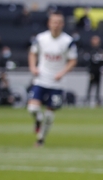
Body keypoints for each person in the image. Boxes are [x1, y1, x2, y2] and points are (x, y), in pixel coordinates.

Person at [27, 11, 77, 147]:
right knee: (32, 108)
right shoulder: (41, 38)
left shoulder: (68, 42)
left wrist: (62, 72)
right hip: (41, 79)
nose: (56, 25)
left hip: (57, 83)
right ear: (49, 23)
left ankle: (40, 139)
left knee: (49, 115)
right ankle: (37, 120)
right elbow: (32, 53)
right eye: (54, 22)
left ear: (63, 24)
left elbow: (73, 60)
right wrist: (33, 67)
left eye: (59, 22)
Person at [85, 35, 103, 107]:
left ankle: (97, 100)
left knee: (98, 86)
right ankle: (88, 99)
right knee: (90, 85)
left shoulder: (101, 49)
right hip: (92, 70)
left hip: (99, 70)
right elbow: (88, 60)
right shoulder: (90, 49)